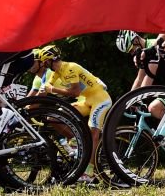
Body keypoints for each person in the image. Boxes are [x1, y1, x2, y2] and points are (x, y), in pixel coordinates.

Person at [28, 45, 113, 183]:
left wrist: (52, 89)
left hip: (100, 99)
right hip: (87, 100)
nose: (45, 66)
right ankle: (76, 141)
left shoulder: (69, 68)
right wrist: (45, 90)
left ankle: (89, 172)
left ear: (50, 60)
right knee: (54, 117)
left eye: (45, 62)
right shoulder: (58, 71)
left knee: (93, 133)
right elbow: (47, 86)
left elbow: (75, 92)